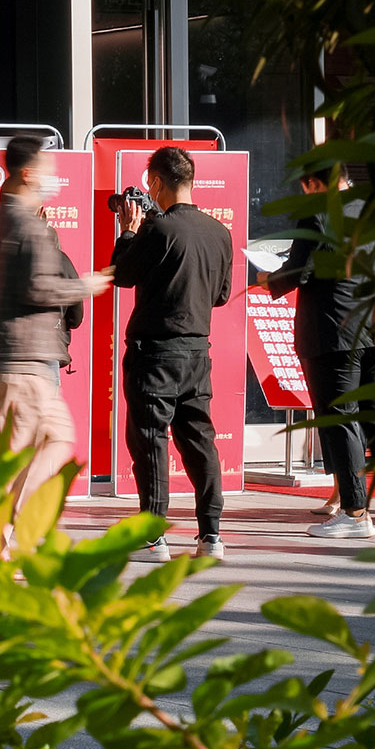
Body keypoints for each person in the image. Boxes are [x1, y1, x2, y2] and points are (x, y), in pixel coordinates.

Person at [0, 137, 110, 543]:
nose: (54, 180)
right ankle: (0, 538)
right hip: (22, 365)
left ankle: (1, 534)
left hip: (3, 365)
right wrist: (83, 286)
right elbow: (37, 289)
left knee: (55, 440)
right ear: (29, 173)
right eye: (50, 171)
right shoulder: (32, 228)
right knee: (10, 466)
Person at [257, 165, 375, 537]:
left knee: (342, 419)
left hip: (333, 330)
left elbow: (299, 270)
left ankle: (355, 513)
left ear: (313, 183)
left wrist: (266, 279)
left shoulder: (319, 210)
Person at [111, 145, 235, 561]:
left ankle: (152, 537)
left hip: (155, 353)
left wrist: (128, 232)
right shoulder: (220, 232)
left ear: (157, 182)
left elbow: (121, 274)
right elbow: (221, 296)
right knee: (200, 443)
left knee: (150, 441)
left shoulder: (158, 229)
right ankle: (211, 536)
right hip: (198, 352)